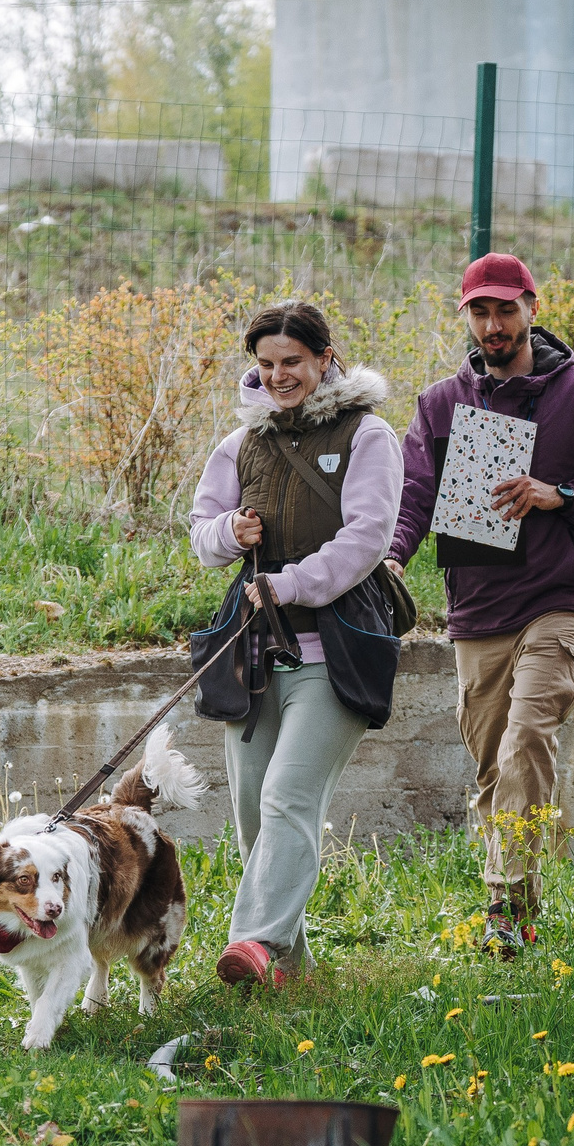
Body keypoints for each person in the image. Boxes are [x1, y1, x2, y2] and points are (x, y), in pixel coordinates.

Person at [387, 252, 574, 956]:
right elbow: (414, 495)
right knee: (493, 769)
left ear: (533, 307)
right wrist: (390, 558)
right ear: (466, 316)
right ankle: (517, 900)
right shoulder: (442, 403)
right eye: (480, 310)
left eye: (507, 308)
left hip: (559, 598)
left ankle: (504, 908)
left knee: (528, 740)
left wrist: (558, 494)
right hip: (477, 603)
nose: (494, 322)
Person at [189, 300, 404, 990]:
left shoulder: (369, 435)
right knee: (255, 818)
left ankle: (251, 943)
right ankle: (293, 971)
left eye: (293, 363)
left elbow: (368, 538)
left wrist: (290, 584)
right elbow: (201, 535)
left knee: (287, 797)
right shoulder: (238, 444)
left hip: (336, 649)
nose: (280, 376)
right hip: (254, 650)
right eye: (267, 364)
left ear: (323, 358)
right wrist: (232, 535)